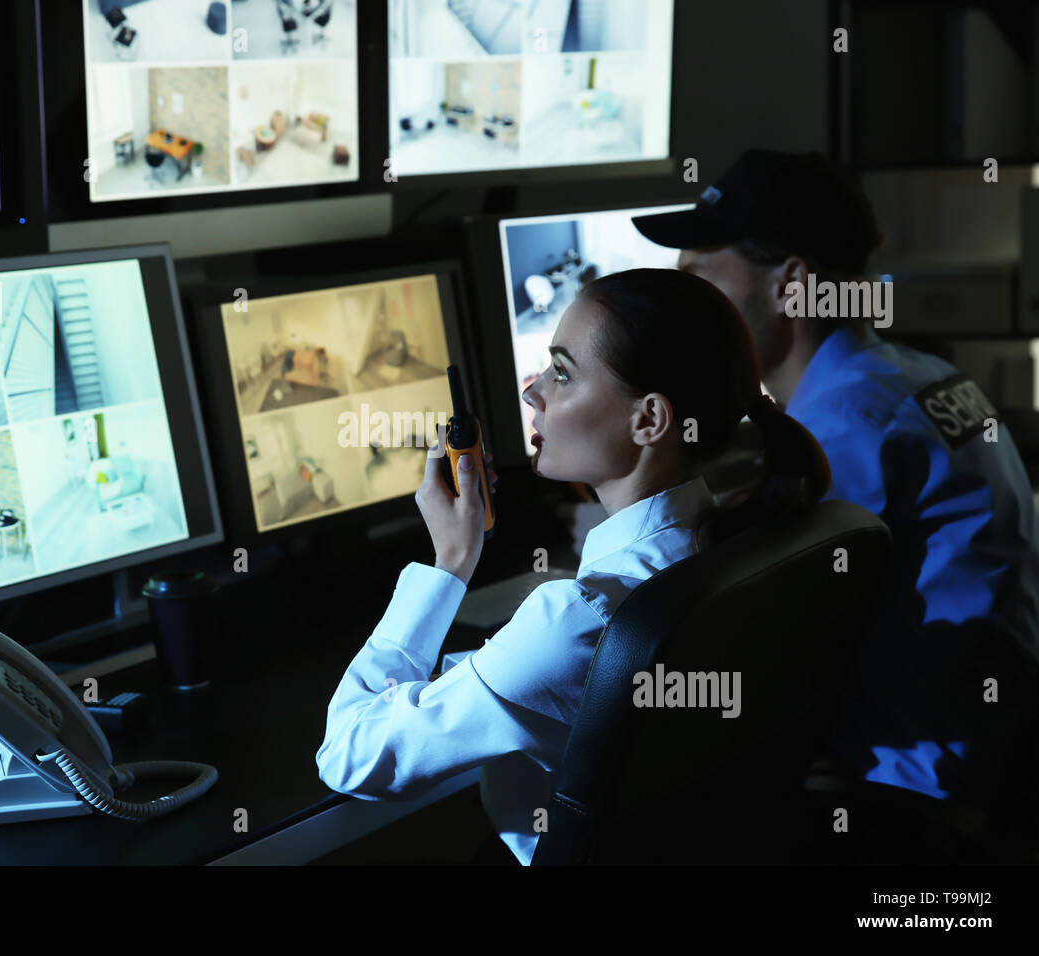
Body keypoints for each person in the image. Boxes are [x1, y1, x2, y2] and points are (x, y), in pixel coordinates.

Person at [315, 268, 831, 865]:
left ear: (649, 421)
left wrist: (450, 563)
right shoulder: (739, 542)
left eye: (562, 373)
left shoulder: (576, 620)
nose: (533, 393)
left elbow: (348, 755)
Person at [633, 149, 1039, 856]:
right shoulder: (916, 376)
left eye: (700, 276)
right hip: (992, 755)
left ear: (791, 284)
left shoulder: (845, 425)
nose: (683, 298)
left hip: (908, 789)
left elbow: (744, 638)